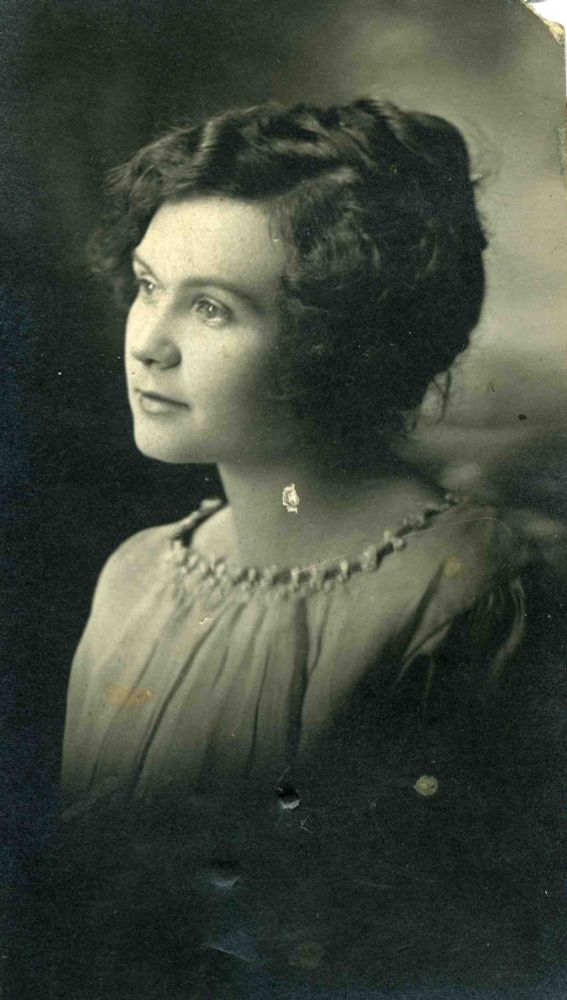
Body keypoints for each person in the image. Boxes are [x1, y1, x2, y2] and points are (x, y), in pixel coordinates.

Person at [53, 100, 563, 997]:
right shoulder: (134, 575)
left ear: (338, 340)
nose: (148, 343)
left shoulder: (466, 593)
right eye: (145, 285)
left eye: (211, 308)